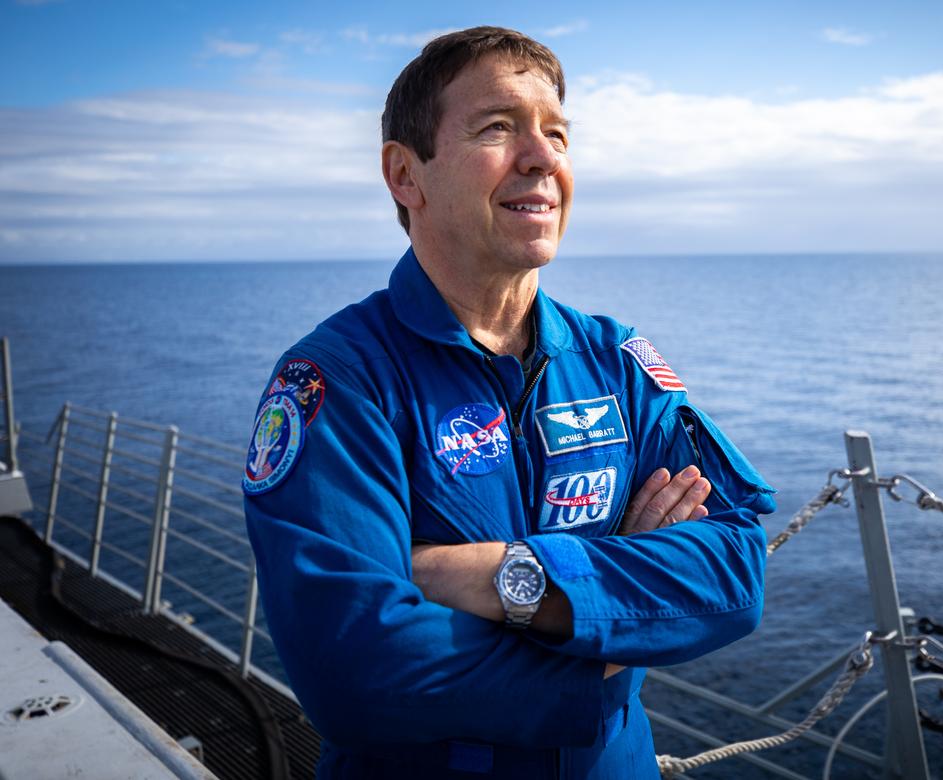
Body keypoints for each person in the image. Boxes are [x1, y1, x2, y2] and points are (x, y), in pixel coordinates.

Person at [242, 26, 776, 779]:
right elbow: (356, 676)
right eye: (498, 127)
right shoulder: (340, 380)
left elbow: (735, 571)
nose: (543, 158)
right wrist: (613, 629)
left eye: (557, 133)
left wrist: (502, 578)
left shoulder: (615, 360)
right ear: (405, 174)